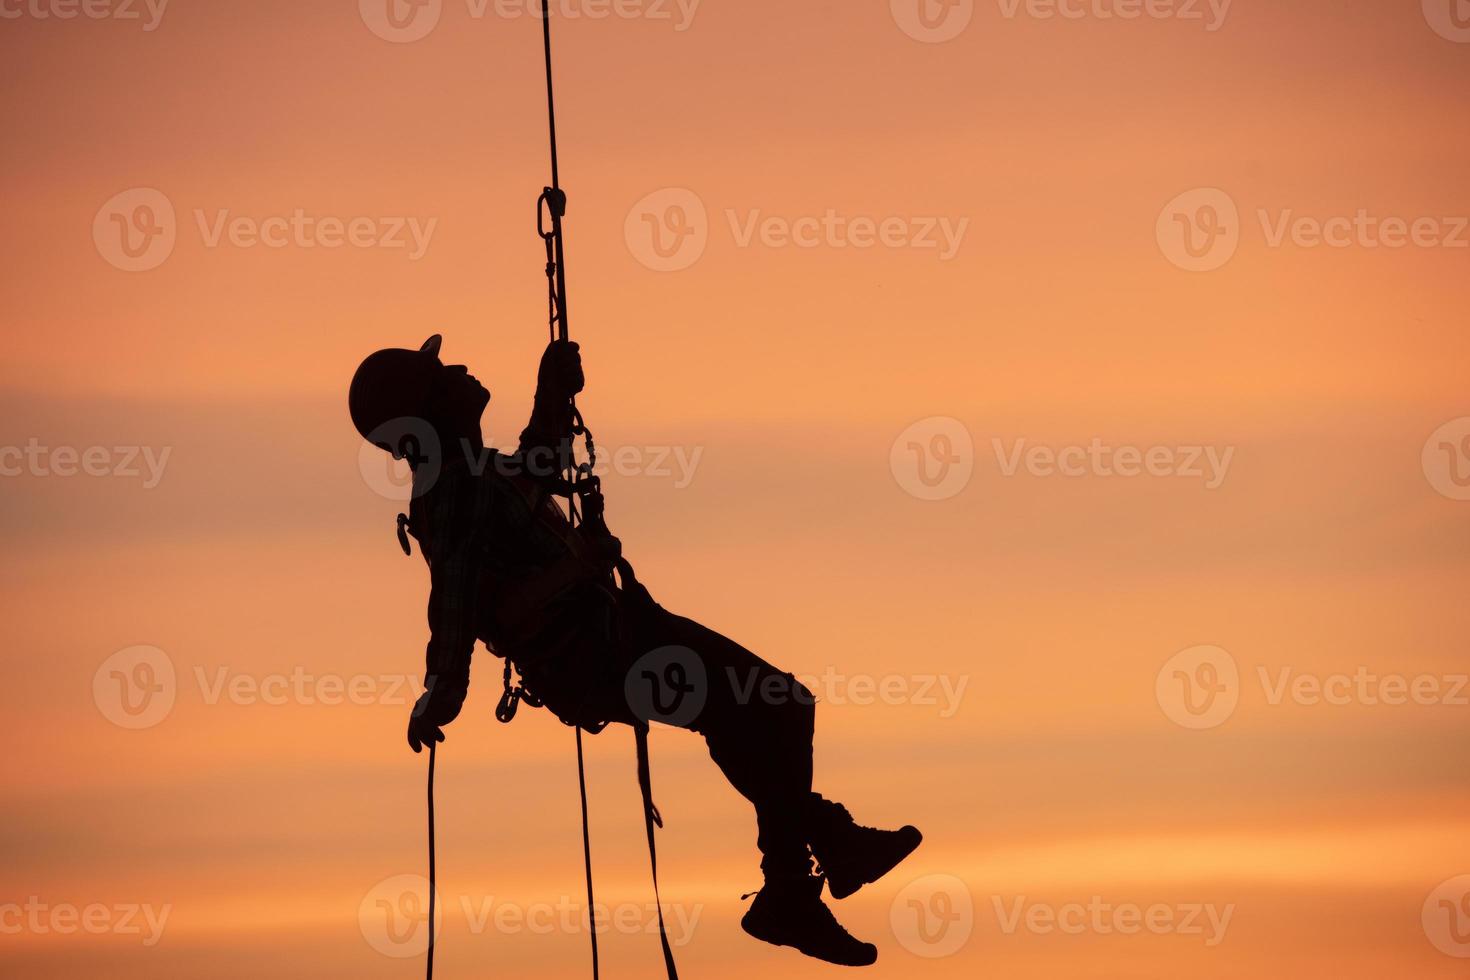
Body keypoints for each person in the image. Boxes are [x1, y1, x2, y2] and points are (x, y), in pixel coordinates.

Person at [348, 334, 922, 966]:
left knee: (752, 718)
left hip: (613, 639)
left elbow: (538, 465)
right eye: (443, 372)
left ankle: (809, 868)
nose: (459, 368)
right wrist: (443, 690)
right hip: (599, 653)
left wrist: (552, 389)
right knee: (775, 704)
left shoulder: (477, 475)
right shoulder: (452, 491)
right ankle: (807, 868)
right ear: (428, 407)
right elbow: (467, 607)